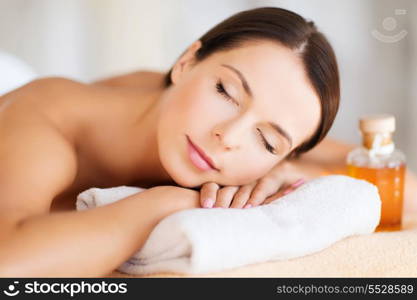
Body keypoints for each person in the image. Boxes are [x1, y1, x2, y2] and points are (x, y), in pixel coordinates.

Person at [0, 7, 340, 276]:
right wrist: (162, 204)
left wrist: (284, 173)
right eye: (226, 91)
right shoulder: (46, 120)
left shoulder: (249, 146)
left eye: (266, 141)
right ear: (186, 62)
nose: (229, 136)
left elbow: (368, 158)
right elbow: (8, 265)